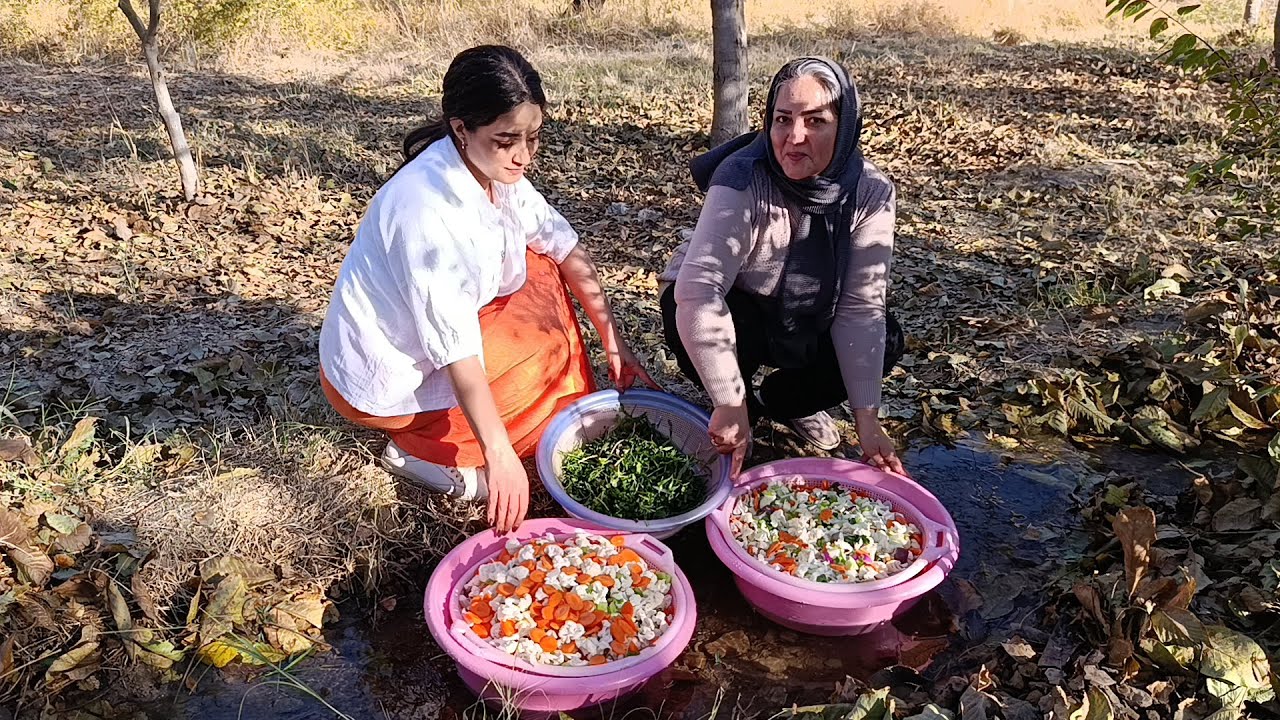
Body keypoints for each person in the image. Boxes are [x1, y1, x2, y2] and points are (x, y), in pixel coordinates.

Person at [319, 45, 655, 533]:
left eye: (533, 138)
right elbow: (455, 350)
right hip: (387, 379)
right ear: (461, 129)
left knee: (543, 270)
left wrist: (613, 340)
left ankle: (513, 429)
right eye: (506, 140)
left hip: (441, 329)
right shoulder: (426, 214)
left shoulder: (497, 170)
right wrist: (500, 458)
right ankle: (431, 460)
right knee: (529, 384)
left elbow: (562, 245)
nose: (523, 156)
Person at [659, 56, 906, 477]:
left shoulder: (871, 191)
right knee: (687, 312)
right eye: (782, 118)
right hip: (741, 304)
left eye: (816, 121)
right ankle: (743, 407)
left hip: (812, 310)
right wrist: (729, 400)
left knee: (886, 337)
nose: (794, 137)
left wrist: (868, 422)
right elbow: (700, 292)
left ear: (845, 125)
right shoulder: (742, 177)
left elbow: (861, 309)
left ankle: (781, 404)